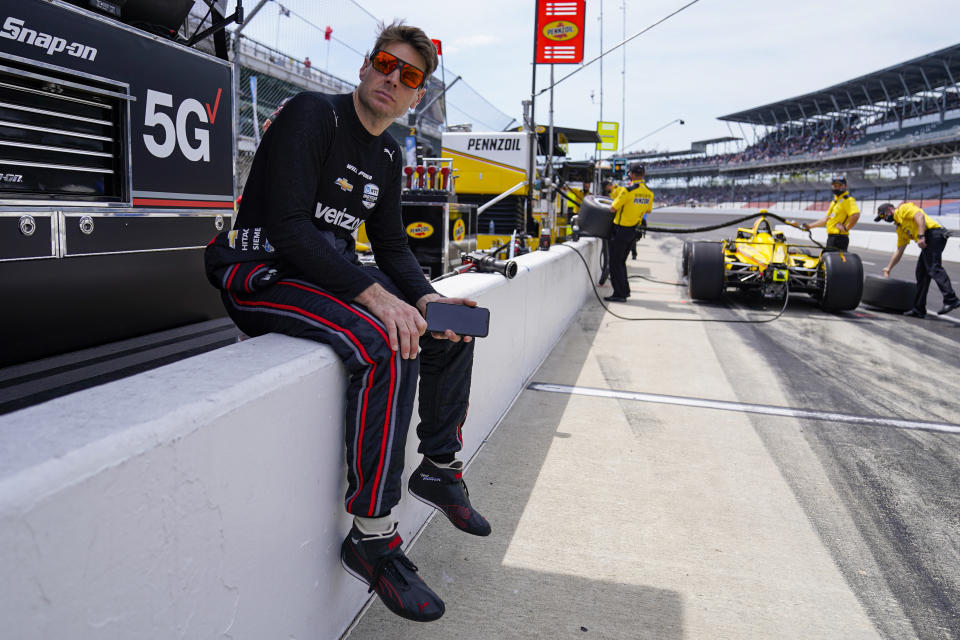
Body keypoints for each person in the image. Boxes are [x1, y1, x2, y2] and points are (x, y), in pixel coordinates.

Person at [204, 21, 489, 623]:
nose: (393, 78)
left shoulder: (388, 151)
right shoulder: (315, 114)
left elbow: (390, 246)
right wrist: (376, 299)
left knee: (443, 323)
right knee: (387, 336)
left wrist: (429, 298)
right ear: (365, 66)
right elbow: (287, 226)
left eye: (409, 76)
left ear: (418, 96)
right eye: (386, 64)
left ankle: (439, 468)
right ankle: (373, 535)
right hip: (262, 271)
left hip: (327, 275)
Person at [876, 202, 959, 318]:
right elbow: (900, 250)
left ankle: (951, 300)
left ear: (890, 209)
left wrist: (920, 236)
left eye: (884, 215)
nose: (884, 219)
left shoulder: (903, 209)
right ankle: (919, 309)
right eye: (882, 218)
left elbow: (919, 216)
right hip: (929, 237)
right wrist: (889, 267)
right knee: (921, 274)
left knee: (933, 268)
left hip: (934, 234)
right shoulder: (900, 228)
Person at [605, 163, 654, 302]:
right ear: (643, 175)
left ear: (631, 175)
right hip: (634, 231)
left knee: (615, 263)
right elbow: (648, 210)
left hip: (620, 230)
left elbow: (613, 208)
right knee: (621, 262)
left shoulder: (628, 190)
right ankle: (624, 291)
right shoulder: (649, 192)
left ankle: (619, 294)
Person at [802, 176, 860, 250]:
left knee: (833, 260)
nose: (837, 187)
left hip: (839, 238)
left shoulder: (848, 200)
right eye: (835, 186)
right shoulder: (835, 202)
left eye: (839, 185)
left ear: (845, 186)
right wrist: (809, 226)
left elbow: (855, 215)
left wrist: (846, 228)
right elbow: (827, 219)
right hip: (832, 238)